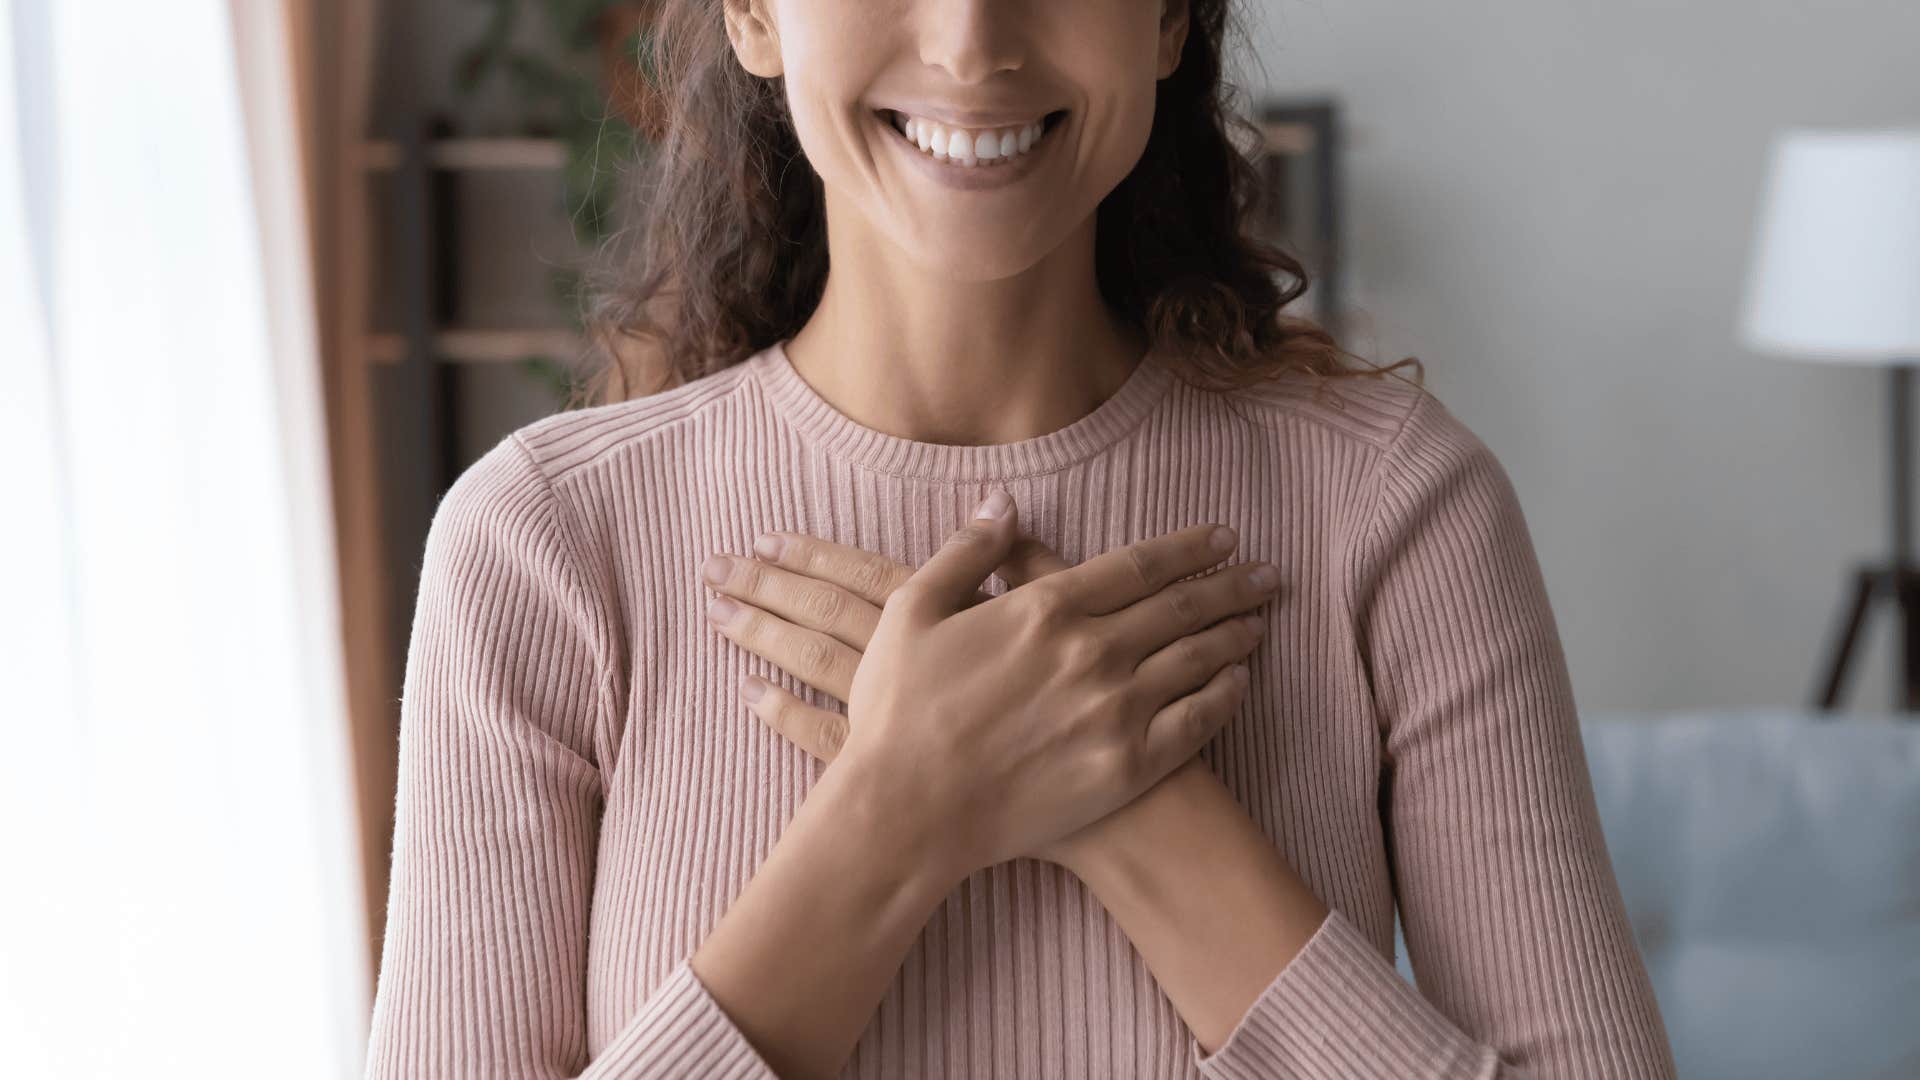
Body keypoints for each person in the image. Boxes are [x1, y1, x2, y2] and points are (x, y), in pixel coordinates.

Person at [363, 0, 1677, 1077]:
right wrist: (899, 815)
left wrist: (1143, 814)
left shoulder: (1399, 511)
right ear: (756, 13)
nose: (972, 41)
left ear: (1169, 20)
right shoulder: (542, 548)